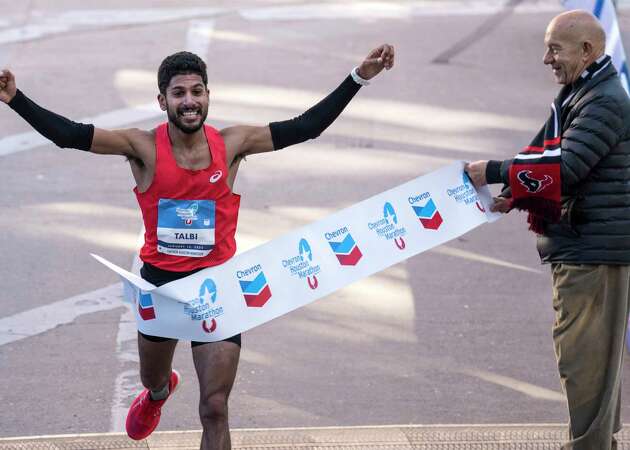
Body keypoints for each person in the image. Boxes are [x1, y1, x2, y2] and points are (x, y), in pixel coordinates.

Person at [0, 44, 395, 449]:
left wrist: (358, 77)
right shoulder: (142, 147)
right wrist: (16, 99)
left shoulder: (234, 143)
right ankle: (158, 393)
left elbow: (306, 127)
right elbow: (70, 136)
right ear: (162, 101)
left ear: (208, 96)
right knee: (152, 378)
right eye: (179, 93)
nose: (189, 101)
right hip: (162, 289)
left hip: (218, 288)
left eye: (197, 91)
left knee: (215, 407)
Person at [465, 10, 630, 450]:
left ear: (587, 50)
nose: (545, 58)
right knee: (589, 358)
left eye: (555, 48)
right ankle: (596, 443)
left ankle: (590, 446)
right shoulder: (584, 92)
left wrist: (495, 171)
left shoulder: (605, 100)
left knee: (585, 359)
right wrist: (515, 193)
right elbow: (551, 153)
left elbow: (566, 166)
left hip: (593, 250)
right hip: (588, 244)